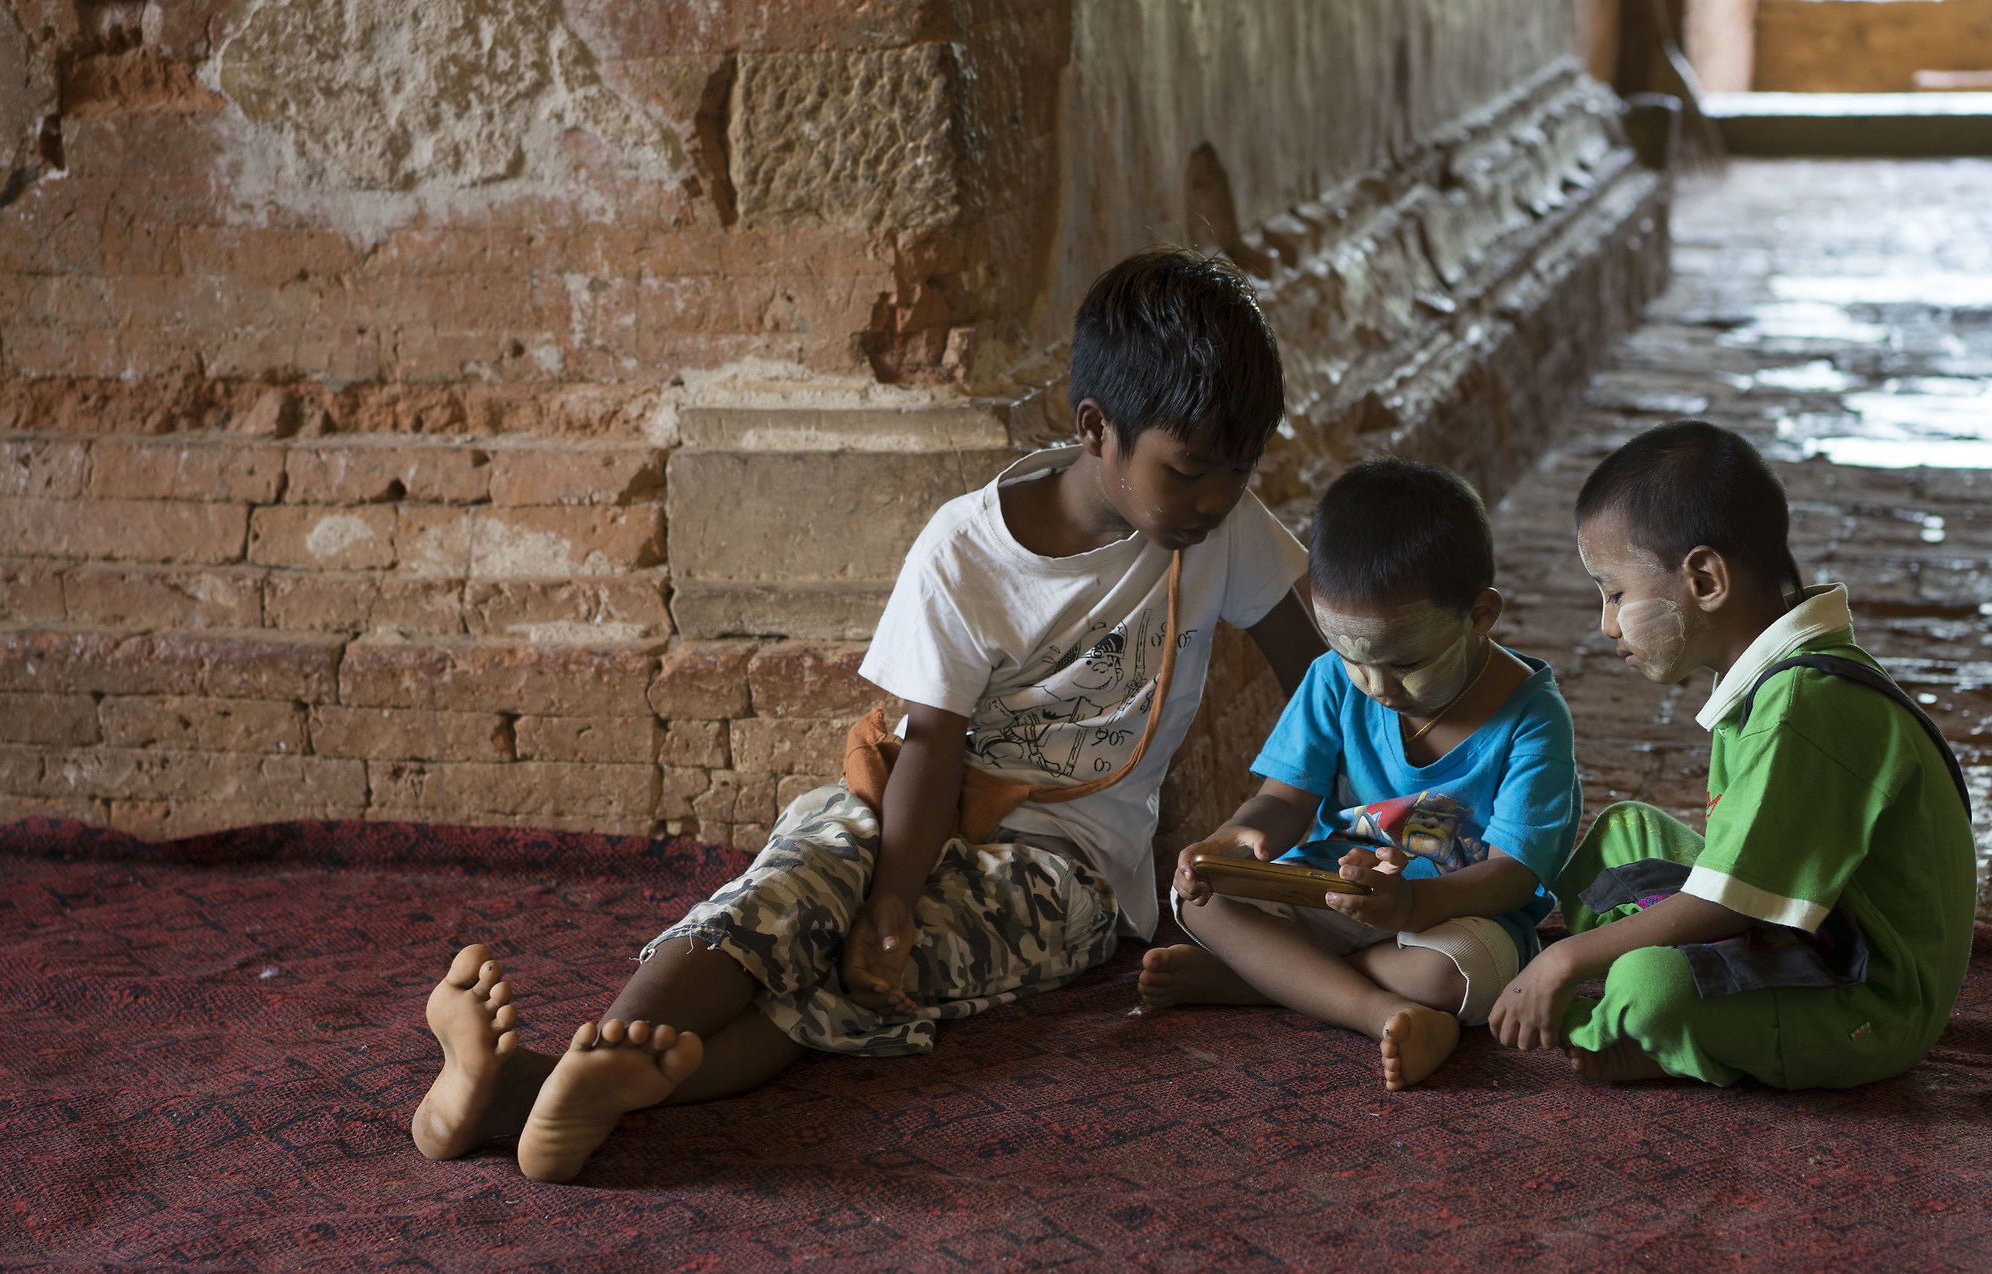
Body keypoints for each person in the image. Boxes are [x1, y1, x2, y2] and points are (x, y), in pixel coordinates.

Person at [413, 248, 1325, 1181]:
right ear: (1097, 429)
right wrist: (889, 889)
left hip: (1075, 867)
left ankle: (522, 1091)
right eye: (1189, 472)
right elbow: (930, 746)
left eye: (1236, 473)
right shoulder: (965, 553)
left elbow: (1323, 687)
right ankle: (589, 1066)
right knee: (801, 883)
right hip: (907, 804)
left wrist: (1361, 818)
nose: (1215, 499)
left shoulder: (1223, 528)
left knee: (892, 968)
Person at [1489, 420, 1977, 1088]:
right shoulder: (1778, 672)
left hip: (1868, 995)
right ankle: (1677, 1026)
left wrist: (1563, 961)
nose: (1605, 624)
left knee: (1649, 981)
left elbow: (1733, 906)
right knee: (1621, 833)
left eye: (1616, 594)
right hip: (1812, 924)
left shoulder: (1806, 704)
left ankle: (1623, 1029)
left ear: (1705, 580)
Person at [1141, 459, 1582, 1089]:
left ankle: (1265, 978)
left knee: (1457, 978)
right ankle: (1379, 1009)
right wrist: (1236, 839)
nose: (1375, 687)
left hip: (1453, 914)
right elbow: (1282, 802)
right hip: (1327, 892)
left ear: (1481, 614)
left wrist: (1410, 903)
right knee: (1198, 900)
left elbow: (1512, 877)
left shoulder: (1533, 719)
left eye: (1405, 663)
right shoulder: (1330, 682)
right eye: (1351, 658)